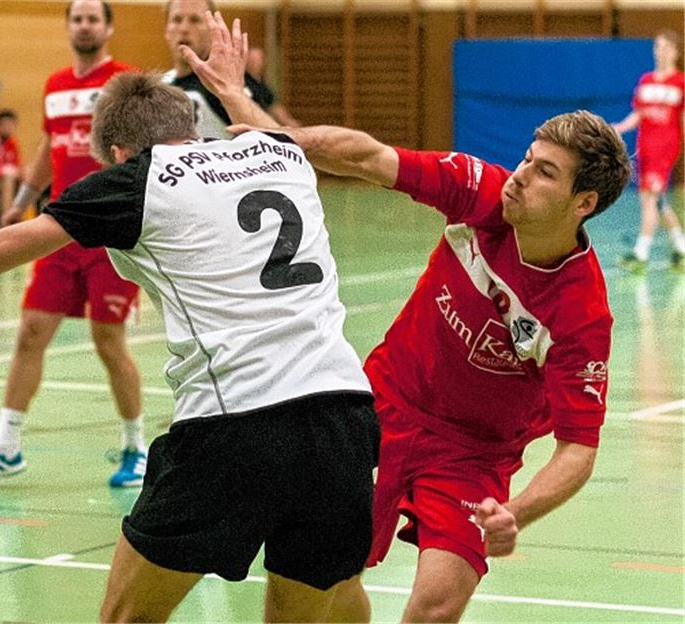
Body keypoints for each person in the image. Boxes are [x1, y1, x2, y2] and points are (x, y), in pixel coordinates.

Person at [0, 68, 379, 624]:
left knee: (126, 617)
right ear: (190, 120)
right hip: (344, 417)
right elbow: (291, 137)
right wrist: (234, 93)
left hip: (235, 423)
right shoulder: (279, 152)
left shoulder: (136, 180)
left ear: (116, 152)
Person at [183, 10, 633, 622]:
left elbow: (579, 448)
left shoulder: (580, 316)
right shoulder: (483, 193)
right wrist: (257, 123)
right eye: (528, 157)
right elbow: (366, 156)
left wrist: (516, 512)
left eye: (544, 172)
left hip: (473, 454)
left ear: (584, 203)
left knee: (435, 607)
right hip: (382, 406)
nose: (522, 175)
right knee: (323, 581)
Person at [0, 0, 147, 491]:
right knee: (30, 332)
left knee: (107, 341)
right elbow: (48, 150)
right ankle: (6, 446)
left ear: (109, 27)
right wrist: (24, 199)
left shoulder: (124, 82)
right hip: (60, 228)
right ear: (69, 26)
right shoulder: (54, 86)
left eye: (94, 18)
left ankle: (136, 446)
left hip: (111, 231)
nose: (85, 25)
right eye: (77, 18)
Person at [613, 29, 685, 273]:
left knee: (649, 200)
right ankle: (681, 247)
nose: (660, 52)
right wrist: (620, 127)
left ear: (675, 51)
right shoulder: (646, 80)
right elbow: (638, 114)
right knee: (658, 201)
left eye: (665, 47)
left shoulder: (681, 82)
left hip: (666, 148)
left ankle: (641, 254)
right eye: (657, 47)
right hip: (645, 148)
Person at [162, 0, 278, 138]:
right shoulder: (160, 85)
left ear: (212, 30)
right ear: (166, 31)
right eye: (177, 19)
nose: (184, 28)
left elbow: (275, 138)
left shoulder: (227, 84)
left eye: (195, 20)